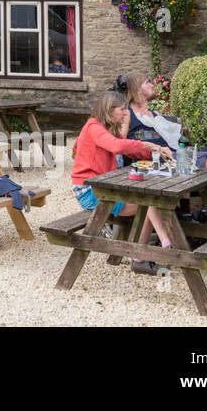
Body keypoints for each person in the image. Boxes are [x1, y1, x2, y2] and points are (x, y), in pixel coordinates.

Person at [72, 91, 176, 274]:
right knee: (148, 201)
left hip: (104, 186)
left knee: (149, 200)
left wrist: (155, 150)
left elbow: (130, 148)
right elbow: (117, 146)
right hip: (89, 190)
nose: (125, 113)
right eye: (122, 109)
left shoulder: (105, 129)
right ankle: (162, 243)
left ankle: (142, 254)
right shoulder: (93, 127)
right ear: (109, 110)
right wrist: (151, 147)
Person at [123, 72, 207, 172]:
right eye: (147, 82)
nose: (152, 85)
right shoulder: (127, 114)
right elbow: (122, 143)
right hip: (155, 160)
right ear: (138, 89)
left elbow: (173, 138)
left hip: (173, 155)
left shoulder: (156, 114)